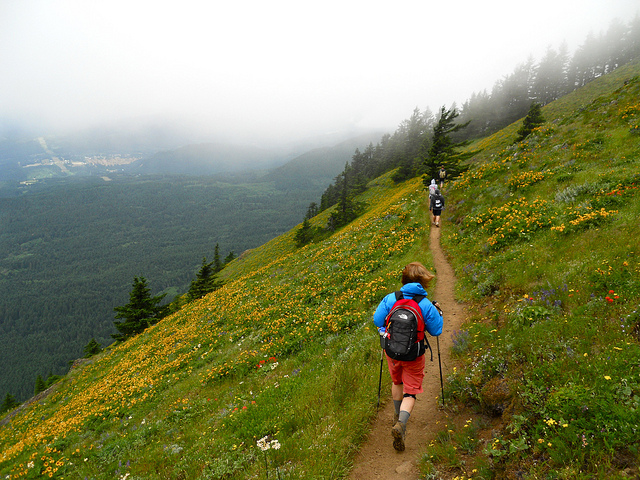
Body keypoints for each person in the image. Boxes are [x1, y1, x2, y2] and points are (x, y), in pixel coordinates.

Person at [373, 262, 443, 452]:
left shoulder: (391, 298)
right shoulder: (425, 304)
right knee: (410, 392)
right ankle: (402, 424)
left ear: (404, 279)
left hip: (392, 351)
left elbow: (377, 320)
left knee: (397, 382)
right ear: (423, 282)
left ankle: (397, 416)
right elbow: (436, 330)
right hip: (414, 354)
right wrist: (438, 312)